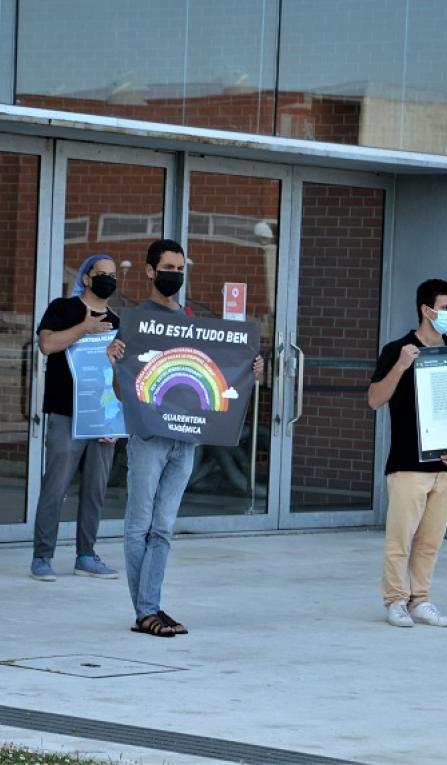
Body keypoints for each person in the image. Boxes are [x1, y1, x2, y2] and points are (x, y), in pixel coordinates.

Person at [108, 239, 262, 637]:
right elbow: (124, 390)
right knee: (139, 522)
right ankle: (145, 611)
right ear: (149, 270)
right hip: (148, 436)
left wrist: (251, 367)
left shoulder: (194, 320)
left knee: (163, 527)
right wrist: (116, 362)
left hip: (186, 438)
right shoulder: (136, 320)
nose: (174, 274)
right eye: (168, 267)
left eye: (179, 268)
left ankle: (151, 606)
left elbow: (224, 368)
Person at [368, 279, 447, 629]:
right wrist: (400, 365)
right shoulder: (396, 349)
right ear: (426, 310)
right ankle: (395, 600)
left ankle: (421, 599)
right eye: (445, 308)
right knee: (400, 539)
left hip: (445, 464)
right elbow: (374, 400)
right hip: (407, 464)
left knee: (430, 541)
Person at [30, 254, 120, 582]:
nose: (108, 279)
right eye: (102, 274)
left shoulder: (116, 320)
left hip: (101, 418)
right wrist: (85, 327)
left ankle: (86, 555)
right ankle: (42, 557)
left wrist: (115, 422)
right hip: (66, 414)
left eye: (113, 275)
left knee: (95, 490)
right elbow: (48, 344)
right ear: (86, 278)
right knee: (55, 487)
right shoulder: (62, 308)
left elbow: (119, 374)